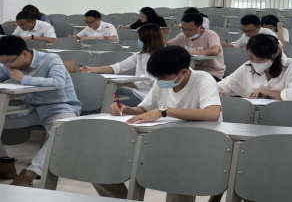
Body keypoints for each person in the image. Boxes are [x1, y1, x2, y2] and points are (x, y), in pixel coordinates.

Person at [93, 46, 221, 202]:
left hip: (193, 144)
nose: (160, 82)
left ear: (183, 72)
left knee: (180, 172)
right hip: (161, 140)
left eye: (163, 78)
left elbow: (212, 113)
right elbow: (144, 109)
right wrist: (126, 109)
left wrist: (165, 111)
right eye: (157, 78)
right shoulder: (161, 81)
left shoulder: (203, 80)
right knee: (100, 165)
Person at [0, 36, 81, 186]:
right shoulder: (9, 65)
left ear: (24, 53)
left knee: (61, 131)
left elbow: (58, 82)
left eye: (8, 61)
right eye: (2, 62)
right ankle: (4, 164)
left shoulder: (51, 59)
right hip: (30, 109)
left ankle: (29, 175)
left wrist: (24, 79)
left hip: (60, 107)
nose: (6, 65)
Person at [80, 23, 166, 103]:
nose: (138, 41)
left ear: (148, 40)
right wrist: (91, 69)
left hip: (148, 95)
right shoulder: (140, 55)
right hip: (137, 91)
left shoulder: (161, 56)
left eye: (140, 39)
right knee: (103, 91)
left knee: (109, 92)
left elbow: (146, 80)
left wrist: (116, 86)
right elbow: (118, 67)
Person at [218, 34, 292, 100]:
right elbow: (227, 83)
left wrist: (266, 92)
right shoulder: (248, 67)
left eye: (261, 59)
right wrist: (220, 90)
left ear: (275, 54)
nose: (255, 62)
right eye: (251, 57)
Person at [167, 13, 225, 81]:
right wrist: (163, 35)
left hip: (211, 72)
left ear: (200, 27)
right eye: (183, 29)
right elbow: (167, 46)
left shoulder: (211, 35)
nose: (186, 32)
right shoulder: (182, 36)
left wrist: (191, 52)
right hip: (190, 72)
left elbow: (215, 51)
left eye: (190, 30)